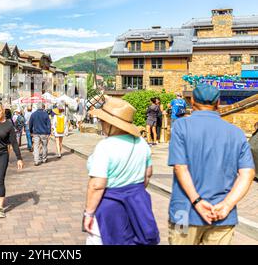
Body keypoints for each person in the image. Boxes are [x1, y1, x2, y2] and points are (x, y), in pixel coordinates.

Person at [168, 84, 255, 245]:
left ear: (192, 100)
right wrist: (227, 204)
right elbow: (247, 173)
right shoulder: (236, 133)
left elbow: (180, 167)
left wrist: (197, 202)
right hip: (222, 214)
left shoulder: (181, 126)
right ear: (218, 102)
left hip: (184, 212)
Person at [84, 97, 159, 245]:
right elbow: (148, 174)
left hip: (110, 205)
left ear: (111, 124)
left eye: (103, 121)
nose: (101, 124)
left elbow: (97, 185)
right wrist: (132, 191)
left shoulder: (105, 147)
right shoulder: (142, 143)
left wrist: (89, 213)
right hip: (138, 204)